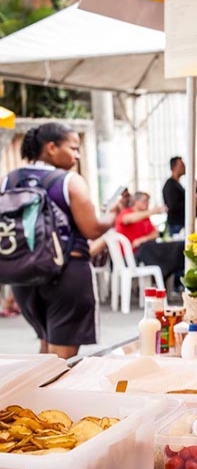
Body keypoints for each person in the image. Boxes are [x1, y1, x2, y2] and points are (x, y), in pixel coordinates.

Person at [3, 123, 123, 358]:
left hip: (23, 277)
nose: (77, 155)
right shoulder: (69, 181)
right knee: (61, 359)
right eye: (73, 148)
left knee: (46, 349)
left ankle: (35, 394)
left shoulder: (9, 180)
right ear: (51, 147)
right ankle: (47, 394)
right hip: (66, 275)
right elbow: (92, 229)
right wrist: (113, 213)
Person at [162, 156, 186, 236]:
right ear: (174, 167)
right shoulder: (170, 186)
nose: (184, 167)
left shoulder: (176, 184)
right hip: (176, 224)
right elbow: (173, 205)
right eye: (181, 165)